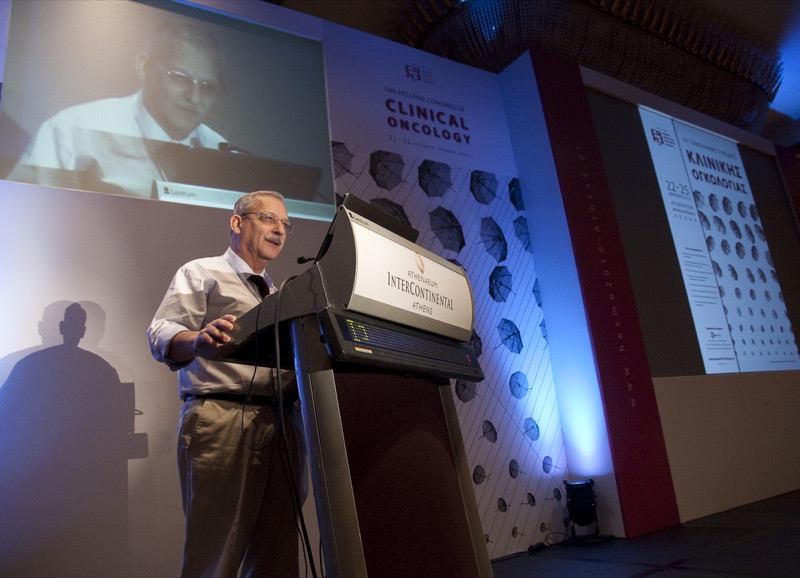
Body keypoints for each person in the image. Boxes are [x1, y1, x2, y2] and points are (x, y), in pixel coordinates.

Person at [147, 190, 304, 577]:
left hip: (283, 423)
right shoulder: (201, 272)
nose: (279, 230)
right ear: (237, 222)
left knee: (278, 558)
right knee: (215, 558)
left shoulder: (278, 293)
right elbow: (162, 331)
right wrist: (198, 339)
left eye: (285, 224)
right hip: (223, 417)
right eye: (268, 219)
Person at [9, 22, 229, 198]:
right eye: (180, 78)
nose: (194, 97)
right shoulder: (71, 130)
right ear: (143, 66)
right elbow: (23, 208)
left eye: (207, 87)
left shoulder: (222, 153)